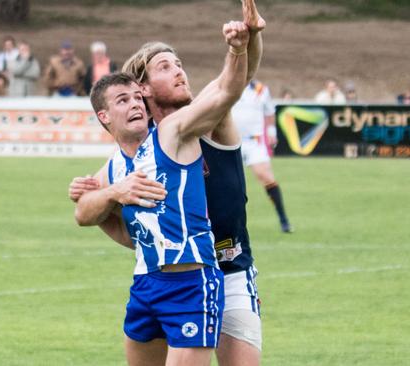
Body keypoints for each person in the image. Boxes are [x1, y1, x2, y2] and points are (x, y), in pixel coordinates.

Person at [70, 1, 266, 365]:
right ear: (142, 88)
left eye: (179, 65)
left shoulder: (202, 121)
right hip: (166, 276)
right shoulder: (137, 151)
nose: (180, 73)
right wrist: (110, 198)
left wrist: (248, 40)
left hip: (231, 267)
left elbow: (233, 84)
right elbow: (88, 211)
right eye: (166, 66)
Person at [232, 80, 293, 233]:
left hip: (254, 142)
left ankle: (283, 219)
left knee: (266, 177)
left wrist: (272, 133)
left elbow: (269, 112)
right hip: (231, 141)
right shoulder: (228, 84)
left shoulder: (261, 90)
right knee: (227, 183)